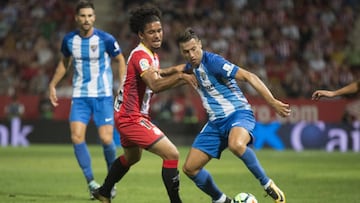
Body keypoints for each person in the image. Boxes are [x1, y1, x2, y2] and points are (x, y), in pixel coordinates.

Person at [92, 5, 197, 203]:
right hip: (131, 118)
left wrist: (175, 69)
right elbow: (155, 84)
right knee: (172, 154)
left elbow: (156, 73)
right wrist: (182, 77)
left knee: (132, 158)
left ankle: (104, 192)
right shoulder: (141, 56)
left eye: (159, 30)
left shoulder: (150, 55)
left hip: (126, 114)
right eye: (151, 32)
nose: (157, 35)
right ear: (141, 34)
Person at [175, 28, 290, 203]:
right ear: (181, 52)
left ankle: (267, 184)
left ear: (200, 45)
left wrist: (272, 102)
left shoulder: (213, 62)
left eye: (193, 49)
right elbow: (173, 70)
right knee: (190, 169)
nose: (191, 54)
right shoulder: (190, 66)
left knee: (236, 145)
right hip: (215, 123)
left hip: (238, 113)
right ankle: (222, 200)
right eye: (186, 51)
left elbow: (250, 76)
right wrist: (164, 74)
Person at [48, 0, 126, 199]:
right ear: (76, 17)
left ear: (94, 17)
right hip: (80, 96)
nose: (86, 19)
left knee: (107, 139)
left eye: (90, 16)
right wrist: (53, 84)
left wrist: (122, 84)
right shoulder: (69, 40)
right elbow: (64, 63)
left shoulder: (105, 39)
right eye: (82, 16)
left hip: (102, 95)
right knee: (76, 137)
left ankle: (110, 183)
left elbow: (119, 58)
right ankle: (92, 183)